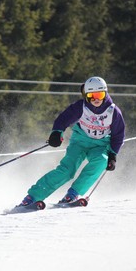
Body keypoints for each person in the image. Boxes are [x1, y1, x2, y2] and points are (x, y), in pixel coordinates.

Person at [19, 76, 125, 206]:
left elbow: (118, 134)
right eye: (91, 95)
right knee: (67, 170)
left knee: (101, 160)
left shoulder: (113, 111)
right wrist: (56, 133)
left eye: (100, 94)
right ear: (86, 95)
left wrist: (113, 155)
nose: (96, 98)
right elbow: (63, 119)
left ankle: (73, 194)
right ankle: (33, 197)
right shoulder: (81, 107)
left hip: (101, 144)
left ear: (105, 93)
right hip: (80, 141)